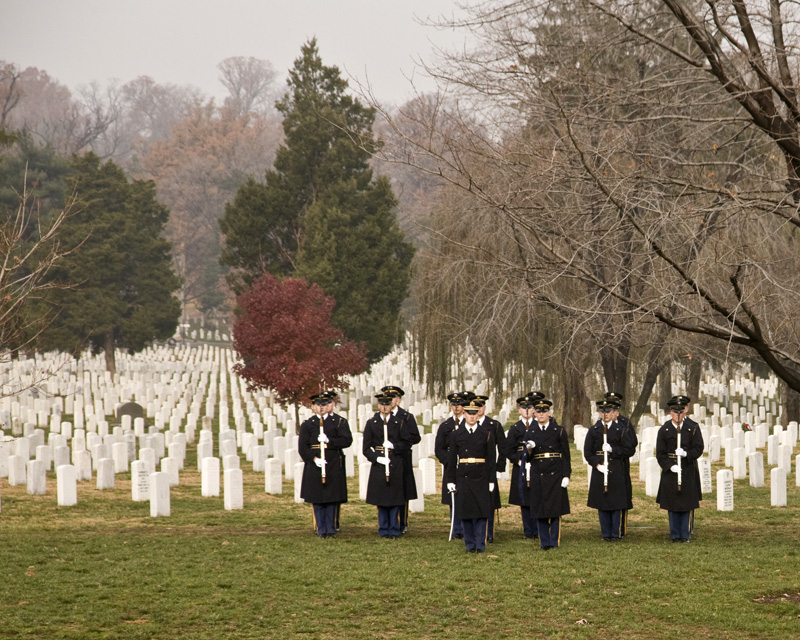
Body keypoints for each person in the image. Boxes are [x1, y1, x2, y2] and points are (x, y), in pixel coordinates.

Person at [298, 391, 353, 538]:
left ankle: (331, 527)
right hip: (315, 464)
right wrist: (315, 459)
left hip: (333, 462)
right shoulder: (308, 424)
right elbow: (303, 447)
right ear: (313, 407)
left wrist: (330, 441)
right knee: (318, 497)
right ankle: (321, 528)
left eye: (323, 404)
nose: (321, 408)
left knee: (331, 497)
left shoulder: (339, 422)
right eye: (317, 405)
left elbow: (347, 440)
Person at [445, 398, 497, 553]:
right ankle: (469, 544)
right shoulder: (456, 434)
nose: (472, 416)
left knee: (482, 512)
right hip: (464, 476)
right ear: (464, 414)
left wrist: (491, 479)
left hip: (481, 475)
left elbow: (491, 459)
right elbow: (452, 458)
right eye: (469, 413)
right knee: (466, 512)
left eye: (474, 413)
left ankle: (480, 544)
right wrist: (450, 480)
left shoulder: (486, 434)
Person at [363, 392, 416, 538]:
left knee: (394, 498)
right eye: (382, 404)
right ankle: (383, 528)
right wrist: (377, 458)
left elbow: (407, 443)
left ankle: (394, 528)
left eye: (387, 404)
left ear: (391, 405)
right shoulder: (371, 423)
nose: (384, 407)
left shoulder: (399, 423)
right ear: (378, 405)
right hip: (380, 464)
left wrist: (394, 446)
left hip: (395, 463)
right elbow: (366, 448)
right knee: (381, 499)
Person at [584, 400, 637, 542]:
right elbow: (588, 453)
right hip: (600, 469)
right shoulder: (594, 430)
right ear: (599, 413)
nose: (605, 414)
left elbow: (629, 450)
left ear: (613, 413)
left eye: (608, 412)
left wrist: (613, 450)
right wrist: (597, 465)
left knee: (616, 502)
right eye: (603, 412)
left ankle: (615, 533)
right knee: (602, 502)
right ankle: (605, 533)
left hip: (616, 468)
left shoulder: (621, 430)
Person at [656, 395, 704, 543]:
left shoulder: (693, 428)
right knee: (673, 503)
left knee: (686, 502)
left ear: (686, 411)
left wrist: (686, 454)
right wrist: (670, 466)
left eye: (681, 412)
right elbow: (660, 453)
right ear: (670, 412)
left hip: (688, 469)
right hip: (671, 471)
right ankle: (675, 534)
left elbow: (698, 448)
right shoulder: (664, 430)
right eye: (675, 412)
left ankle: (685, 534)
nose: (678, 415)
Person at [525, 398, 571, 549]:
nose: (541, 414)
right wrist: (529, 449)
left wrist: (566, 475)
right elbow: (528, 458)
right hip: (538, 472)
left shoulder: (559, 431)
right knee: (540, 507)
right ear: (534, 413)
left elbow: (566, 455)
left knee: (555, 507)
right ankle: (544, 541)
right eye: (538, 411)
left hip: (555, 472)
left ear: (549, 413)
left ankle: (554, 540)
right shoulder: (531, 432)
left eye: (544, 411)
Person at [381, 385, 421, 534]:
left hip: (401, 457)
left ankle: (401, 522)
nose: (389, 401)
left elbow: (415, 437)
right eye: (386, 398)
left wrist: (397, 443)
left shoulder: (406, 417)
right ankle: (386, 523)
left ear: (398, 400)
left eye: (392, 398)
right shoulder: (380, 416)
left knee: (402, 491)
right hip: (384, 459)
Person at [503, 392, 543, 539]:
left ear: (534, 409)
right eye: (523, 407)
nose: (526, 409)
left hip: (536, 465)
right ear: (519, 410)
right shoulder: (515, 428)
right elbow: (508, 449)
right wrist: (518, 461)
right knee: (524, 499)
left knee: (537, 496)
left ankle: (538, 529)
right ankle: (528, 530)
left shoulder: (538, 425)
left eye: (529, 407)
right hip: (521, 465)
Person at [434, 391, 470, 540]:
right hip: (451, 467)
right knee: (453, 498)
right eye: (454, 404)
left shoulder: (469, 423)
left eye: (459, 404)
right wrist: (448, 461)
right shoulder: (446, 426)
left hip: (466, 465)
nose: (456, 407)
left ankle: (466, 527)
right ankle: (456, 529)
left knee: (466, 496)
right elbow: (439, 449)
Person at [604, 391, 638, 536]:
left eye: (615, 404)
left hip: (621, 462)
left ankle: (621, 526)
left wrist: (616, 450)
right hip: (606, 463)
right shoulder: (602, 423)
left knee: (622, 493)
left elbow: (632, 443)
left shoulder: (625, 423)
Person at [474, 394, 506, 542]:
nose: (478, 409)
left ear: (485, 407)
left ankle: (489, 533)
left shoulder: (494, 425)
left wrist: (499, 468)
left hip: (488, 468)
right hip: (471, 469)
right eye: (476, 406)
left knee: (489, 502)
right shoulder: (466, 425)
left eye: (481, 406)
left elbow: (502, 447)